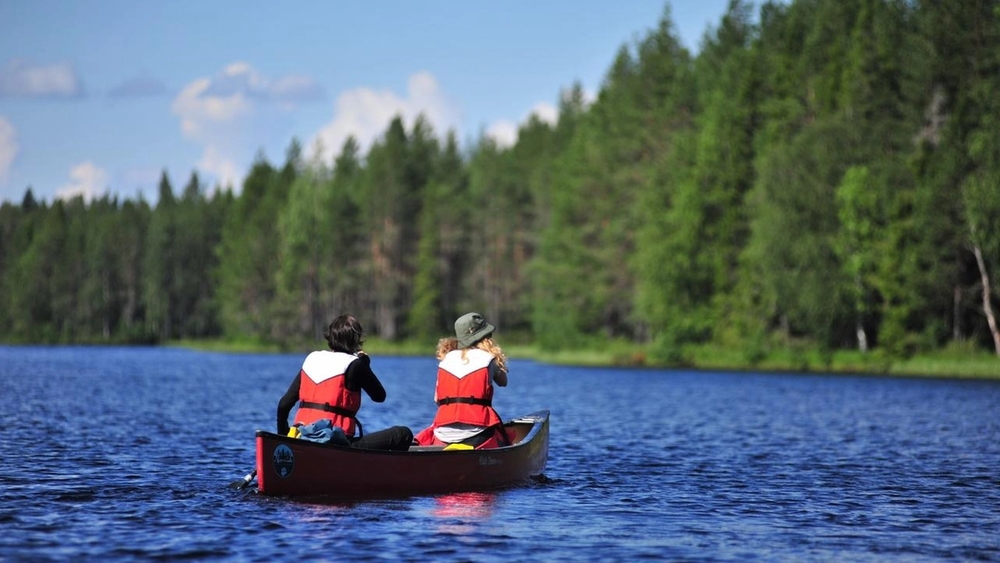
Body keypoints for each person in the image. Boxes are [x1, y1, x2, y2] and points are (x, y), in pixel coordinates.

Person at [276, 314, 412, 451]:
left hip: (301, 438)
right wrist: (365, 364)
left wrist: (284, 440)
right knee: (403, 434)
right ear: (355, 340)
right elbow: (379, 396)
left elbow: (283, 405)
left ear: (331, 336)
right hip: (337, 444)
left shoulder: (311, 359)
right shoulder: (355, 365)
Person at [413, 312, 513, 449]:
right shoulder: (489, 359)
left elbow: (437, 400)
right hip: (477, 434)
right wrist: (496, 357)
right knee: (506, 437)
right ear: (484, 337)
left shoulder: (446, 359)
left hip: (443, 434)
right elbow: (503, 382)